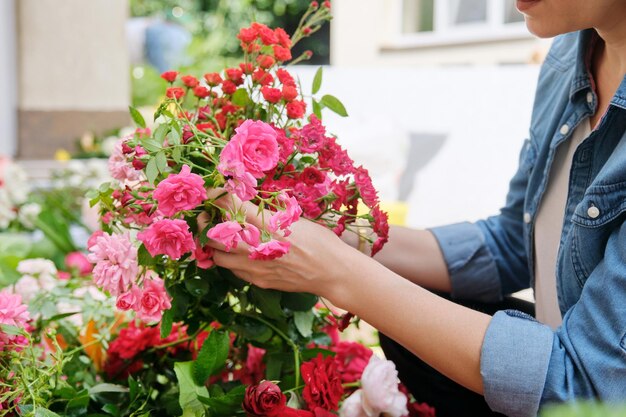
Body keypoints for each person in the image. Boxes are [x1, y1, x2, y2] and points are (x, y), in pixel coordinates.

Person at [204, 1, 626, 416]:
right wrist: (339, 233)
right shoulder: (569, 55)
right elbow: (520, 241)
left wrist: (335, 272)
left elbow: (583, 382)